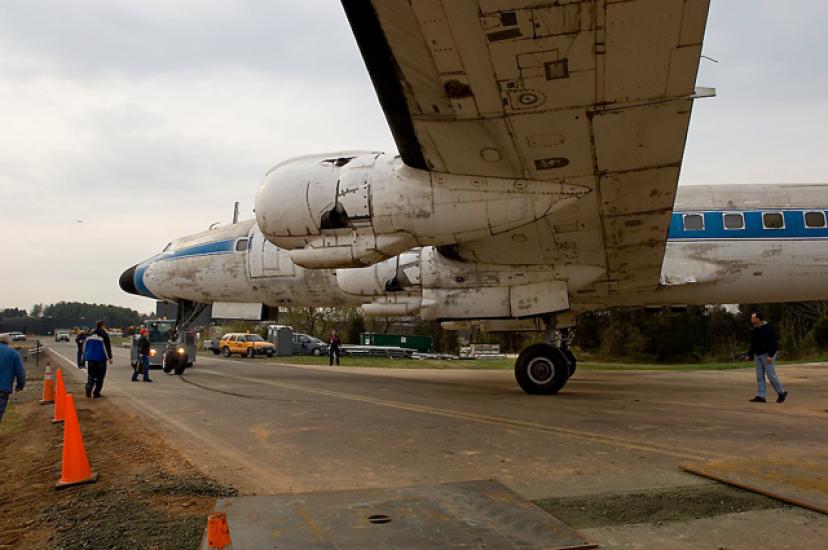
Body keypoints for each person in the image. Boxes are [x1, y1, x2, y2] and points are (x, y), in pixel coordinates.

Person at [747, 311, 788, 403]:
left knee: (771, 375)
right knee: (759, 376)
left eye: (752, 318)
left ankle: (781, 392)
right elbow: (753, 343)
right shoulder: (754, 329)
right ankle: (761, 396)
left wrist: (771, 355)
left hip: (767, 355)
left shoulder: (768, 328)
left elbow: (773, 343)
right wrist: (750, 355)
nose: (751, 320)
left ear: (758, 319)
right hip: (757, 355)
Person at [83, 321, 113, 398]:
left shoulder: (90, 335)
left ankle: (88, 388)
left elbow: (85, 347)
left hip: (91, 359)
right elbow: (107, 347)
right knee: (100, 376)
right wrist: (110, 358)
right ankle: (96, 392)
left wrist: (85, 356)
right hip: (101, 358)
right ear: (102, 326)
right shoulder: (104, 335)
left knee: (91, 375)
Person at [0, 333, 26, 423]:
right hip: (3, 389)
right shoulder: (13, 353)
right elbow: (20, 372)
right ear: (8, 342)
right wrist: (20, 385)